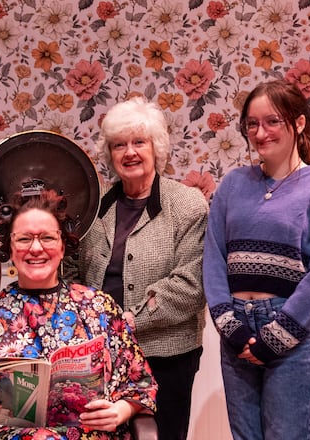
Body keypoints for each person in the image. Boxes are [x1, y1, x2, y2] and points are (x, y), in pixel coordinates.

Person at [0, 189, 158, 440]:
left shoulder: (100, 309)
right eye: (24, 239)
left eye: (47, 238)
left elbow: (140, 386)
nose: (36, 248)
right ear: (10, 249)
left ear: (62, 246)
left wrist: (121, 411)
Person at [203, 79, 310, 440]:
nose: (260, 132)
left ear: (298, 124)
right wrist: (231, 328)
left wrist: (276, 337)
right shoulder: (233, 185)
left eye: (272, 121)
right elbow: (214, 260)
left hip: (294, 341)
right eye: (252, 124)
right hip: (236, 332)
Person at [65, 96, 209, 440]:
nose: (129, 152)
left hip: (167, 355)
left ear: (155, 147)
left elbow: (191, 284)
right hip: (98, 353)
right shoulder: (93, 206)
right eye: (119, 145)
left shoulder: (187, 205)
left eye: (138, 142)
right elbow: (70, 267)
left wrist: (129, 320)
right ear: (110, 154)